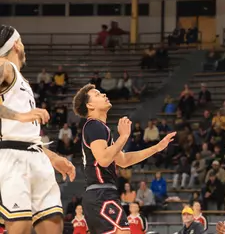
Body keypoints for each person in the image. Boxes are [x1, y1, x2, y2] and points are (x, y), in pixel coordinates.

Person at [0, 25, 76, 234]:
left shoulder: (21, 80)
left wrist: (53, 158)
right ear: (16, 44)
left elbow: (26, 136)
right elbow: (17, 129)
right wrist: (21, 116)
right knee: (20, 226)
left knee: (53, 224)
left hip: (35, 155)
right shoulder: (5, 66)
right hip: (12, 157)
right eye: (22, 41)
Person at [72, 84, 176, 234]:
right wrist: (124, 137)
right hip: (101, 194)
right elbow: (104, 160)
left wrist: (157, 148)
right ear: (89, 105)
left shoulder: (100, 128)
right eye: (97, 94)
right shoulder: (94, 126)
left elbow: (124, 160)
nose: (104, 94)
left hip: (100, 195)